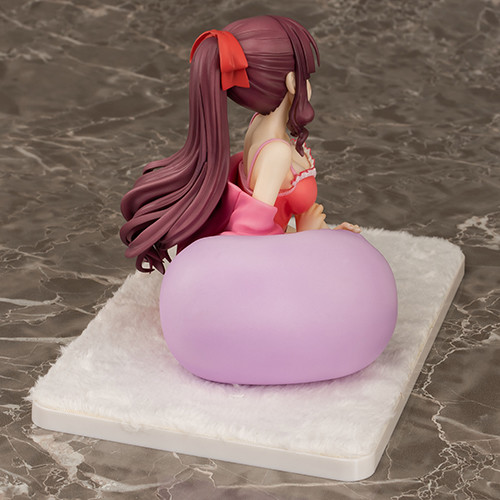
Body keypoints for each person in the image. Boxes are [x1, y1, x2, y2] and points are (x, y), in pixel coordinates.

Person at [120, 15, 359, 274]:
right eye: (306, 75)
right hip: (266, 267)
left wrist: (325, 236)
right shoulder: (276, 152)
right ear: (292, 82)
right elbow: (251, 240)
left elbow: (272, 215)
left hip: (287, 242)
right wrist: (307, 238)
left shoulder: (259, 124)